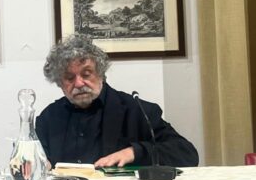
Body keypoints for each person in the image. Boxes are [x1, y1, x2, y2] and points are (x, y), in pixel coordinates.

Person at [35, 34, 198, 168]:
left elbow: (187, 154)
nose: (78, 83)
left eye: (86, 74)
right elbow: (37, 160)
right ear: (59, 83)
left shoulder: (136, 110)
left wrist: (134, 152)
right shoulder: (48, 118)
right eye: (69, 78)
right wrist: (40, 164)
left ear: (100, 74)